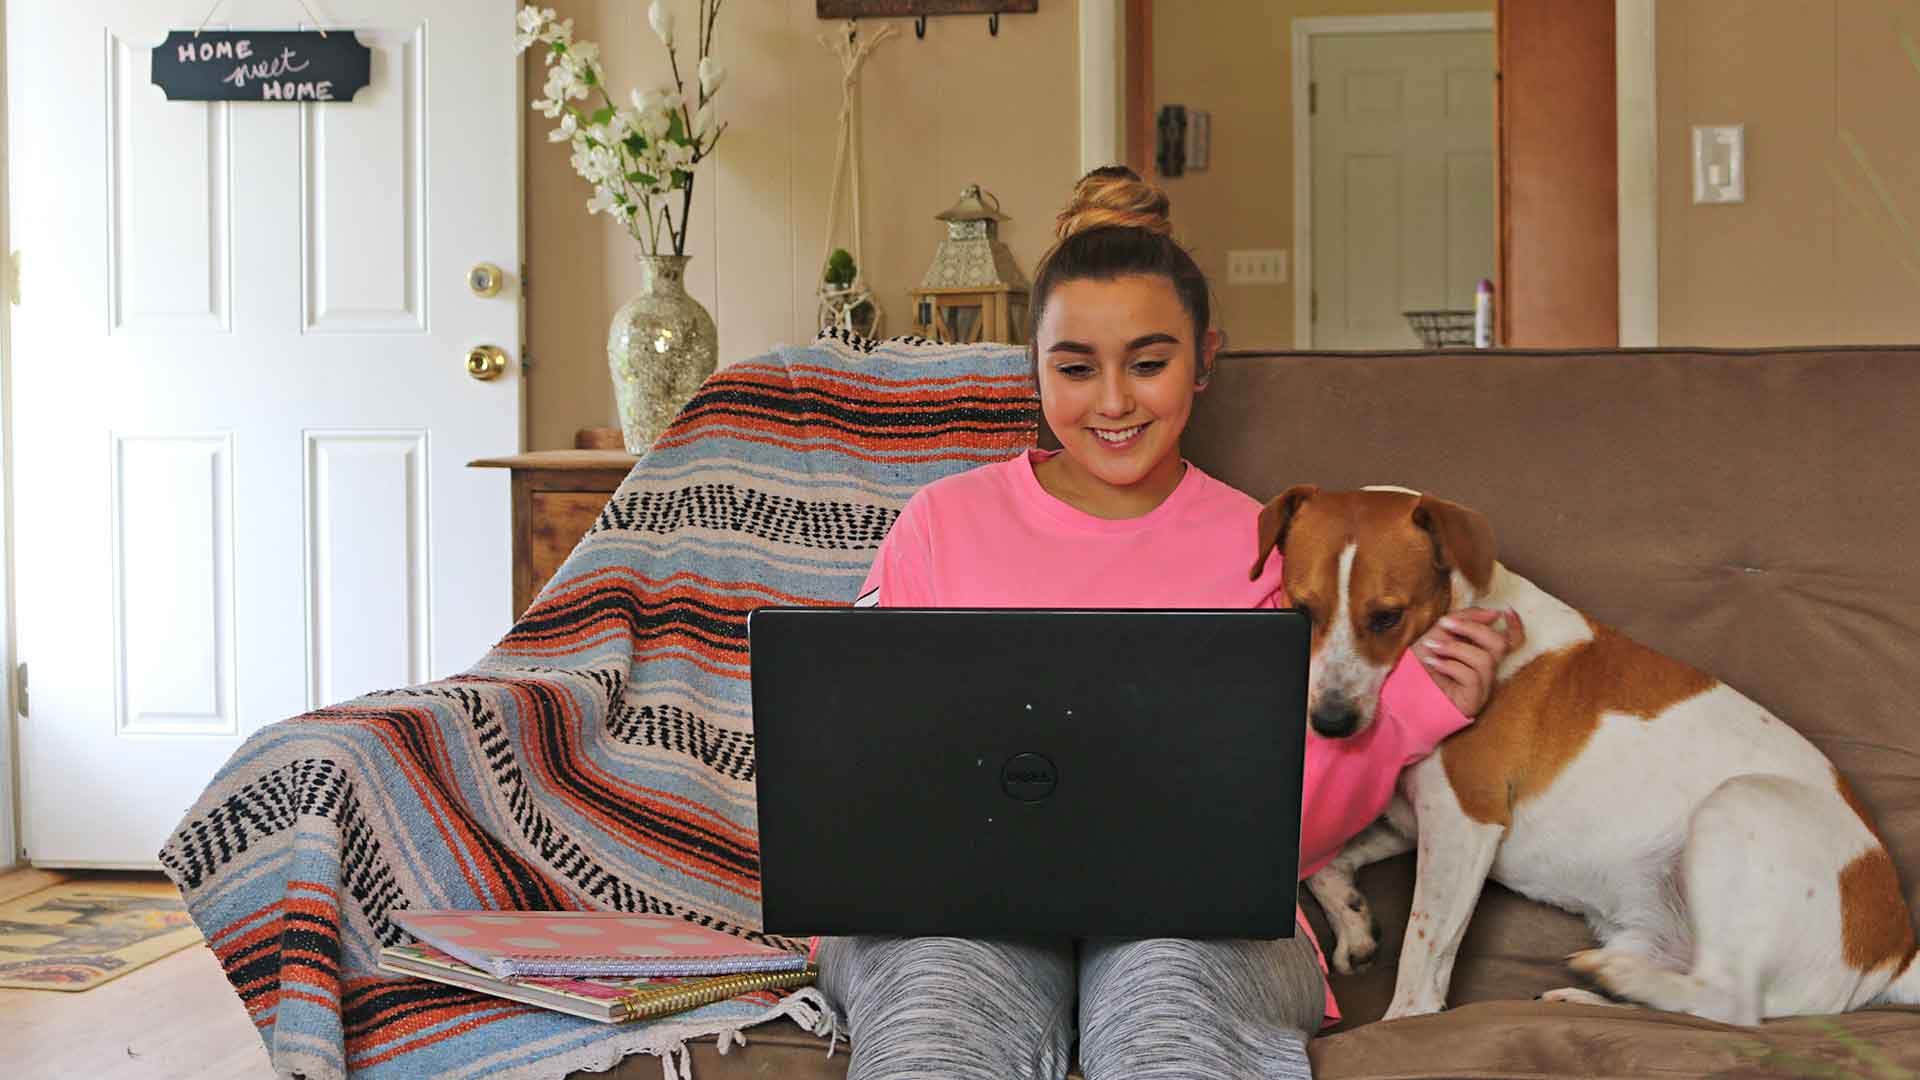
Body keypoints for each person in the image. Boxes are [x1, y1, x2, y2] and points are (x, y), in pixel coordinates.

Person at [818, 166, 1523, 1080]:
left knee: (1168, 987)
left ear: (1206, 358)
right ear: (1031, 366)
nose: (1113, 403)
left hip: (1198, 928)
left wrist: (1412, 715)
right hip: (957, 920)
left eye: (1148, 364)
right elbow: (862, 760)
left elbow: (1282, 833)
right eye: (1075, 369)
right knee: (942, 998)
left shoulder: (1272, 550)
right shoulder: (940, 523)